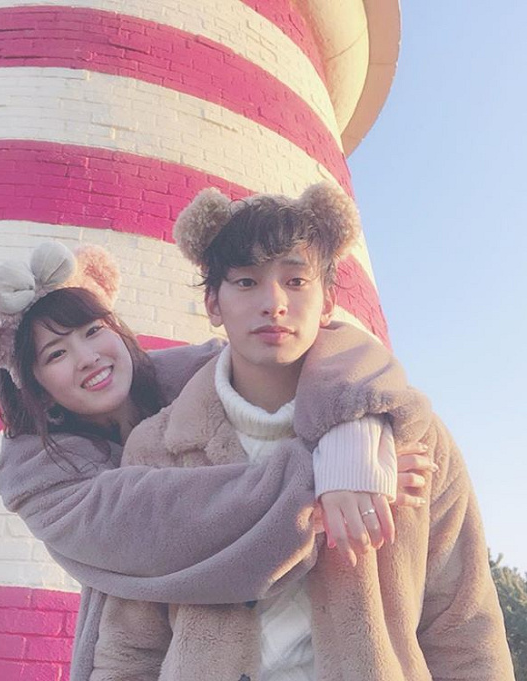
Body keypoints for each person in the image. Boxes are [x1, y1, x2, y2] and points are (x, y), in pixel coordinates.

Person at [89, 183, 514, 680]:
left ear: (328, 299)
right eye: (246, 281)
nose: (273, 303)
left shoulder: (412, 438)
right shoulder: (156, 450)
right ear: (213, 304)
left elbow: (463, 625)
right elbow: (130, 644)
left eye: (295, 280)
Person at [0, 238, 435, 680]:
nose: (87, 356)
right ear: (37, 389)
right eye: (56, 354)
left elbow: (324, 345)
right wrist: (326, 476)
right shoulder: (38, 478)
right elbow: (164, 524)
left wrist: (353, 431)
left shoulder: (194, 373)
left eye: (93, 331)